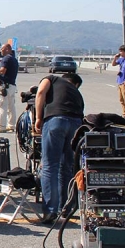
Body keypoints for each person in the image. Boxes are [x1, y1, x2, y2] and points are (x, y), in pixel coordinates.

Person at [33, 72, 84, 224]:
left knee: (50, 166)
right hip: (76, 124)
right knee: (67, 166)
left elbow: (40, 92)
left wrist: (38, 118)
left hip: (56, 120)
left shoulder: (51, 78)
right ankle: (66, 208)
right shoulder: (77, 94)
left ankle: (50, 210)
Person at [0, 44, 19, 133]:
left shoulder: (6, 59)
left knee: (1, 106)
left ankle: (1, 126)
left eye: (2, 49)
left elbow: (2, 71)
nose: (1, 51)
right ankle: (11, 125)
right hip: (12, 85)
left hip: (4, 86)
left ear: (7, 49)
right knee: (11, 107)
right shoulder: (14, 59)